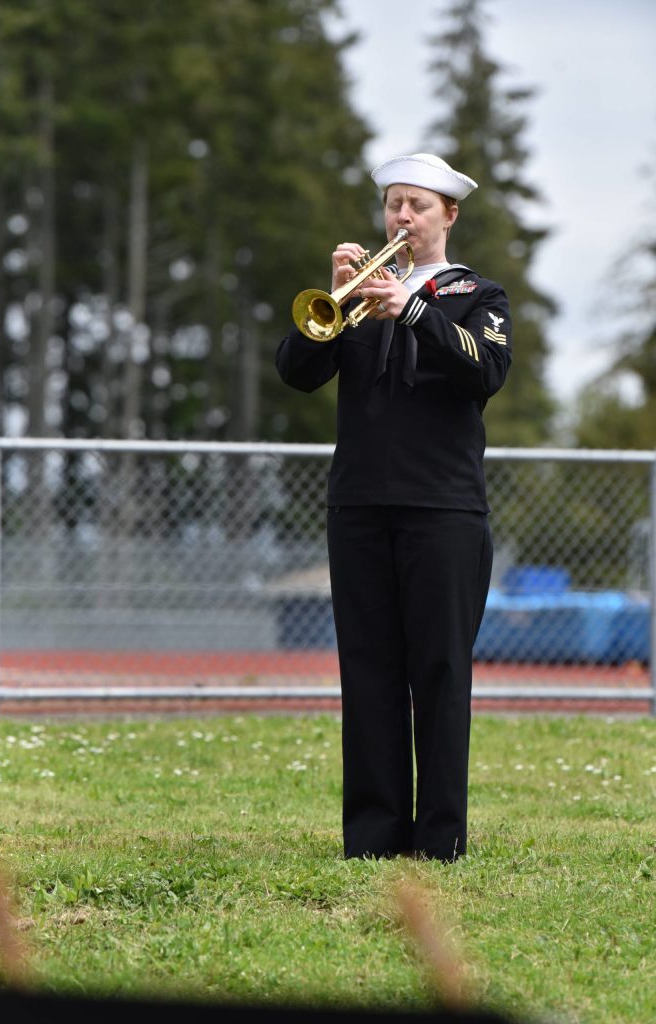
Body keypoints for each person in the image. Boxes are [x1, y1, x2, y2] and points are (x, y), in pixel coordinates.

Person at [276, 153, 512, 861]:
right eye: (393, 204)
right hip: (358, 506)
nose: (401, 217)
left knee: (439, 673)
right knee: (368, 671)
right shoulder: (353, 299)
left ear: (449, 215)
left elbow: (485, 370)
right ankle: (373, 838)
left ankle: (439, 839)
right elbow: (296, 373)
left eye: (417, 204)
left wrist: (411, 310)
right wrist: (335, 299)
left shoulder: (477, 295)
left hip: (444, 510)